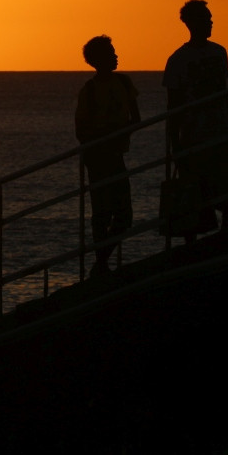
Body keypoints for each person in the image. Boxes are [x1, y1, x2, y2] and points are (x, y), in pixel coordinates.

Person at [163, 0, 228, 234]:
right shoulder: (178, 60)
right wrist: (175, 144)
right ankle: (196, 243)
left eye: (211, 19)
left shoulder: (220, 52)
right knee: (195, 196)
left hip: (221, 132)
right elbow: (174, 105)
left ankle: (226, 232)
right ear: (192, 23)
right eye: (206, 19)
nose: (211, 23)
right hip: (194, 137)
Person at [75, 35, 141, 276]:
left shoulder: (124, 83)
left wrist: (119, 133)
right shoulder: (89, 91)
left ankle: (101, 261)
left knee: (124, 215)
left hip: (116, 155)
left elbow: (136, 118)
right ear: (98, 60)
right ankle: (101, 263)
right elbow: (81, 130)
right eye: (111, 53)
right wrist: (107, 134)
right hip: (98, 157)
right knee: (102, 213)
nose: (116, 56)